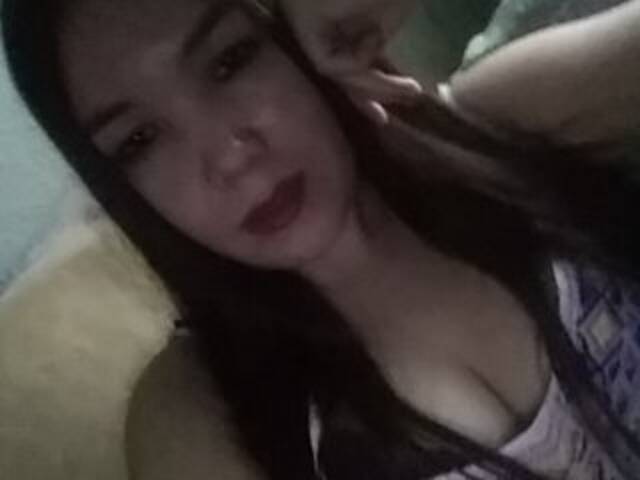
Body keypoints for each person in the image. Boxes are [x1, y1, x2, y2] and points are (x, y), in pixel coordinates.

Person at [3, 0, 640, 478]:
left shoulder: (491, 121)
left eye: (230, 60)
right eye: (139, 140)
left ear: (292, 36)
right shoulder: (194, 405)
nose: (229, 156)